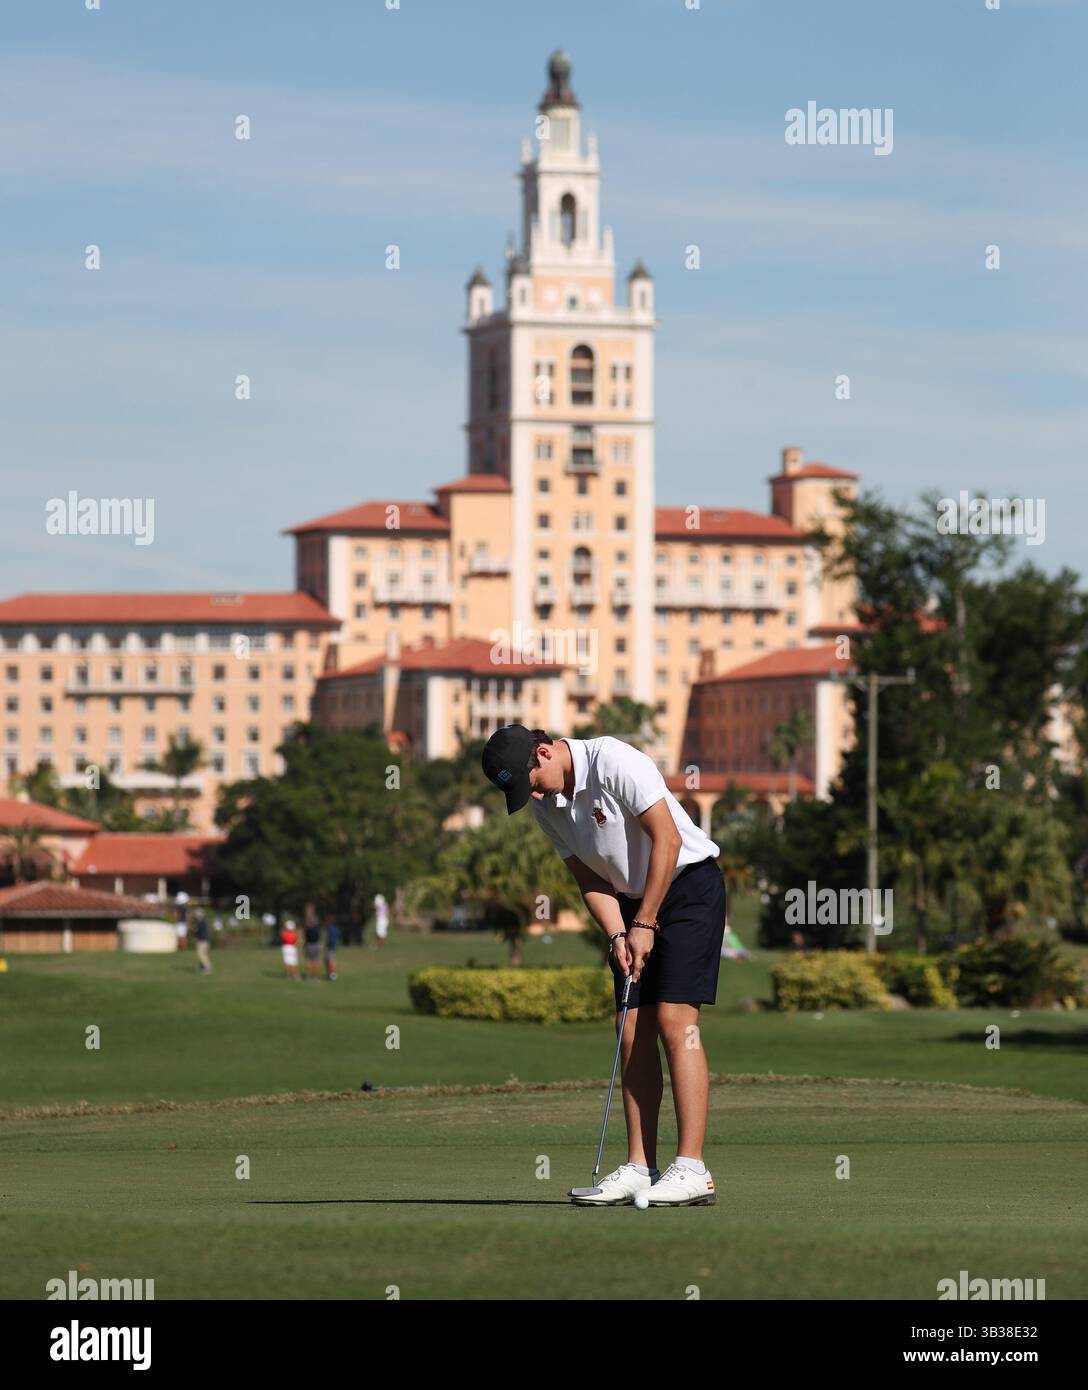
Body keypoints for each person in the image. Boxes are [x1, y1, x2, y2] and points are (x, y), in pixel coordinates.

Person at [482, 724, 725, 1209]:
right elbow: (589, 878)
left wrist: (647, 922)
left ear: (545, 752)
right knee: (630, 1027)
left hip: (688, 887)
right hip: (634, 907)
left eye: (528, 781)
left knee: (677, 1022)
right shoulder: (545, 806)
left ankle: (694, 1168)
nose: (529, 794)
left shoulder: (614, 760)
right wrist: (619, 933)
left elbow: (669, 840)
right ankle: (640, 1167)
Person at [302, 905, 322, 979]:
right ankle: (317, 976)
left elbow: (305, 933)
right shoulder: (316, 926)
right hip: (316, 944)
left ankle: (309, 976)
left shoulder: (308, 927)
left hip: (310, 945)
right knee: (316, 961)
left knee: (309, 961)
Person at [194, 908, 212, 974]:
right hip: (206, 941)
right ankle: (203, 968)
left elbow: (195, 930)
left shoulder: (200, 923)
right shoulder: (204, 922)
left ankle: (207, 968)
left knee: (201, 955)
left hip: (202, 941)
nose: (196, 915)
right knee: (204, 954)